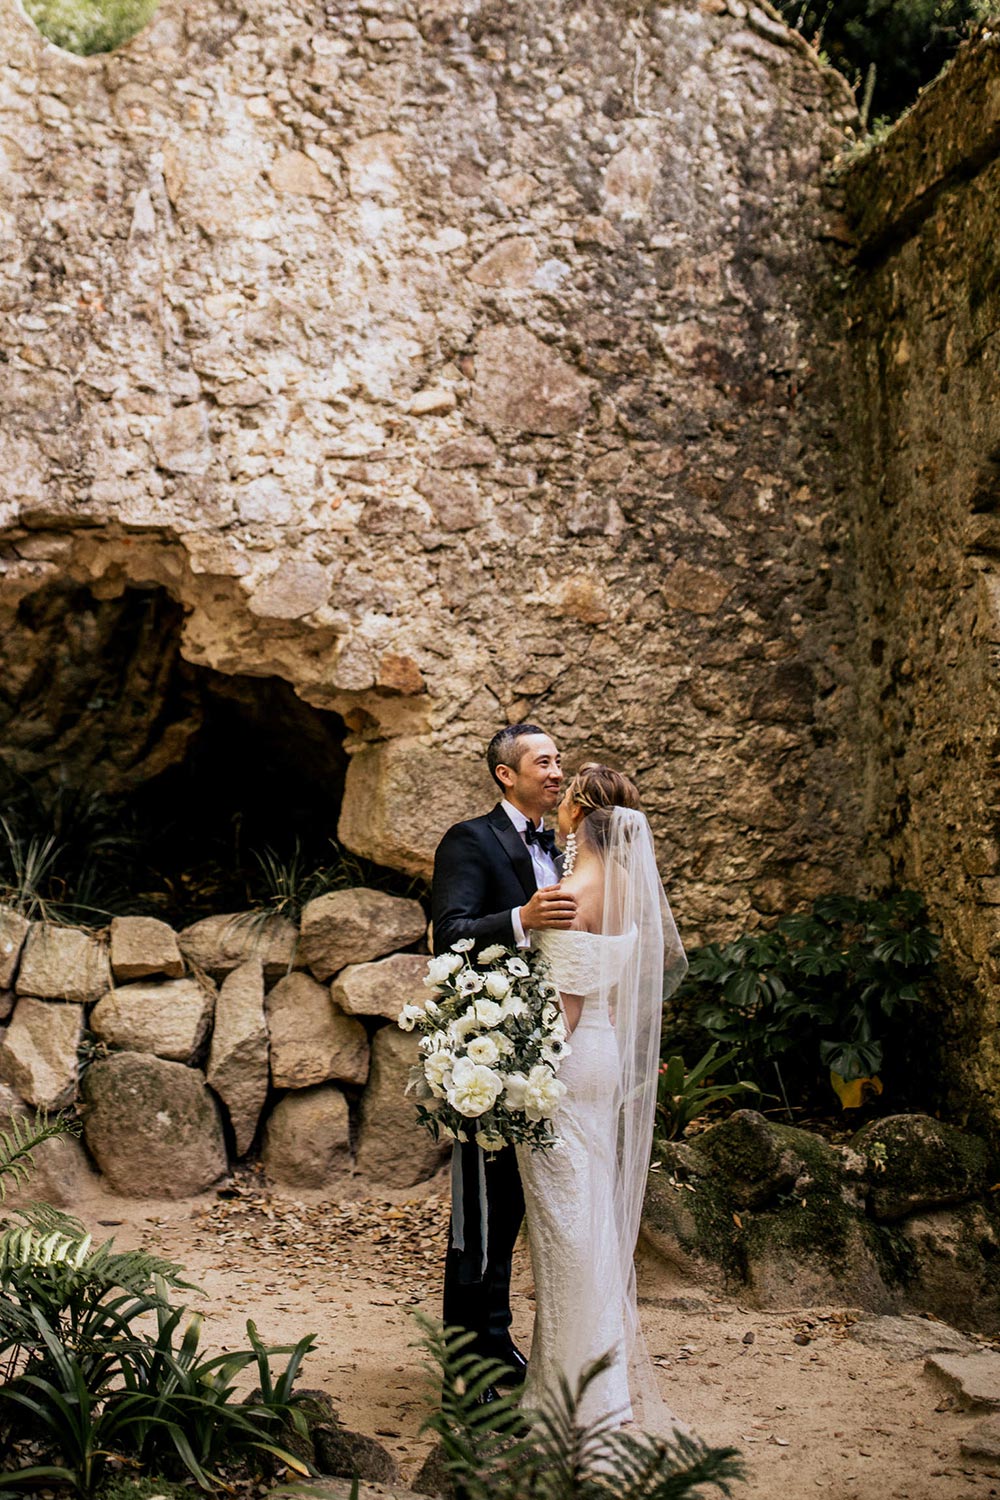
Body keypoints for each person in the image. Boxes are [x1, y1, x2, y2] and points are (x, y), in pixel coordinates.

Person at [516, 763, 689, 1434]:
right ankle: (591, 1390)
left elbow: (565, 1002)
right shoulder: (626, 887)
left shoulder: (572, 891)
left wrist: (515, 1071)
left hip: (567, 1056)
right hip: (607, 1053)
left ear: (579, 813)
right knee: (587, 1220)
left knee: (565, 1226)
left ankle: (573, 1405)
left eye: (568, 798)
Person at [431, 723, 578, 1385]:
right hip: (491, 1052)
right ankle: (475, 1357)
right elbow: (450, 934)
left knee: (517, 1202)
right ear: (505, 774)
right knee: (484, 1207)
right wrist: (524, 918)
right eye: (542, 762)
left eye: (558, 761)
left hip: (545, 1052)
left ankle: (493, 1343)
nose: (556, 771)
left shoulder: (566, 847)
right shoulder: (470, 839)